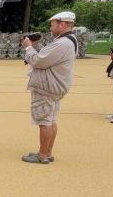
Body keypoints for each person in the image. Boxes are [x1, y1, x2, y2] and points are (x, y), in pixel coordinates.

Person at [20, 11, 78, 165]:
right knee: (51, 119)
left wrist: (28, 48)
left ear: (63, 24)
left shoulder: (62, 43)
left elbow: (39, 61)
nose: (51, 28)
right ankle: (47, 152)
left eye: (53, 24)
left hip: (47, 87)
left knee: (44, 120)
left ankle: (42, 155)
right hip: (55, 86)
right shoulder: (69, 41)